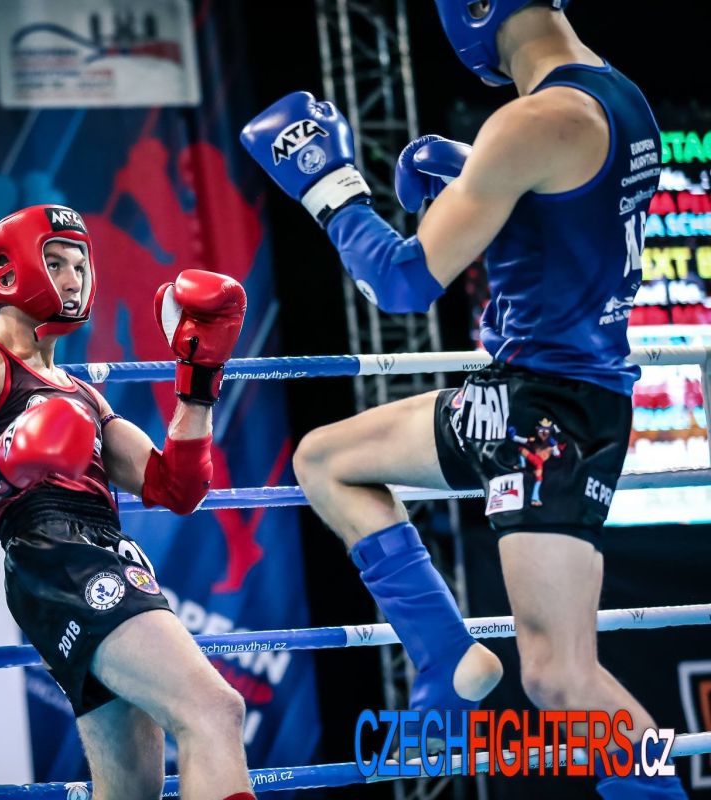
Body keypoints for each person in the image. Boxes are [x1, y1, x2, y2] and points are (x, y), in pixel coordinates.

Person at [241, 1, 685, 796]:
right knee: (326, 459)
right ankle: (445, 655)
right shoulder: (622, 98)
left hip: (549, 416)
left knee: (561, 678)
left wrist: (330, 188)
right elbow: (568, 211)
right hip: (520, 397)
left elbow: (401, 283)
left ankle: (659, 792)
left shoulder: (532, 121)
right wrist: (468, 165)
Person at [0, 205, 256, 800]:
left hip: (100, 552)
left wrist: (198, 380)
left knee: (132, 789)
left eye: (79, 265)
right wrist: (7, 461)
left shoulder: (84, 396)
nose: (72, 279)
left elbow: (177, 487)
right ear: (8, 269)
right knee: (213, 710)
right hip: (54, 556)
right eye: (54, 263)